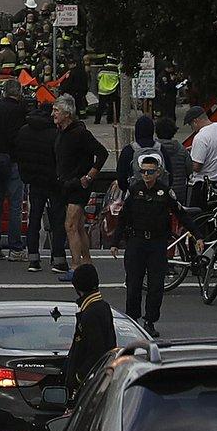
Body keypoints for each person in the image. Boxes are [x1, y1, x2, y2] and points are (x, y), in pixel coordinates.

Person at [117, 151, 185, 335]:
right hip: (136, 242)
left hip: (157, 243)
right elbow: (123, 217)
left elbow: (180, 213)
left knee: (156, 286)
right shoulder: (134, 190)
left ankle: (150, 321)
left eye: (150, 172)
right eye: (143, 172)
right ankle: (132, 320)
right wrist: (116, 241)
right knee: (133, 284)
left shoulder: (164, 193)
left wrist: (197, 234)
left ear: (158, 173)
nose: (146, 176)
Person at [53, 101, 106, 273]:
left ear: (67, 114)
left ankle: (75, 267)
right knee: (79, 225)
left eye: (56, 111)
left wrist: (90, 176)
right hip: (66, 183)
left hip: (78, 185)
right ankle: (87, 262)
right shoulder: (61, 132)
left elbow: (102, 153)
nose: (53, 114)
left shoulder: (80, 133)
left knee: (70, 225)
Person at [13, 100, 60, 272]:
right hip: (53, 181)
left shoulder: (25, 130)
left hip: (34, 180)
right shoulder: (55, 133)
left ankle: (33, 257)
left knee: (34, 218)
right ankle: (57, 258)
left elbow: (19, 153)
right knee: (56, 219)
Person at [0, 82, 28, 259]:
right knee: (15, 206)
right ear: (19, 93)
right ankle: (15, 246)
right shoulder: (20, 110)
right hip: (14, 160)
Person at [65, 264, 116, 387]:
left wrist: (79, 377)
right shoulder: (103, 307)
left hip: (88, 383)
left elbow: (96, 350)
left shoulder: (90, 313)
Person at [183, 105, 217, 206]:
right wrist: (195, 149)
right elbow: (215, 146)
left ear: (195, 121)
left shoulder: (200, 137)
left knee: (199, 218)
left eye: (191, 124)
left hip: (204, 186)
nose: (192, 128)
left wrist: (187, 158)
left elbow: (196, 167)